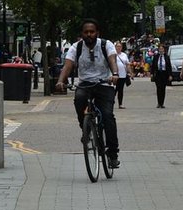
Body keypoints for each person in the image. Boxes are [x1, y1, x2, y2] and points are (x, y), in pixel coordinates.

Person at [55, 19, 120, 169]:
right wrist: (60, 81)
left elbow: (112, 59)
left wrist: (115, 73)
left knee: (108, 116)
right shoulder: (76, 47)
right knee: (79, 99)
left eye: (92, 32)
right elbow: (68, 66)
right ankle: (85, 128)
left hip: (104, 83)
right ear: (82, 34)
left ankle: (113, 154)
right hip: (85, 84)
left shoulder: (106, 45)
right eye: (86, 32)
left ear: (97, 33)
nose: (89, 34)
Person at [151, 41, 174, 108]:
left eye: (162, 49)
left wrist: (170, 75)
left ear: (164, 49)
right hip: (158, 74)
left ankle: (162, 103)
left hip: (164, 74)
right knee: (158, 88)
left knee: (163, 88)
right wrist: (152, 73)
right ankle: (159, 103)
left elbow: (169, 66)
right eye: (160, 49)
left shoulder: (166, 57)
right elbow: (153, 66)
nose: (161, 50)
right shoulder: (156, 56)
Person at [115, 41, 131, 109]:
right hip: (115, 75)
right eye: (117, 46)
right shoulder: (113, 54)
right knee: (114, 90)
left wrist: (130, 72)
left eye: (120, 47)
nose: (119, 48)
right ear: (115, 47)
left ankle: (120, 104)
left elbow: (127, 64)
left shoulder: (124, 55)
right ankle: (111, 102)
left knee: (120, 90)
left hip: (123, 75)